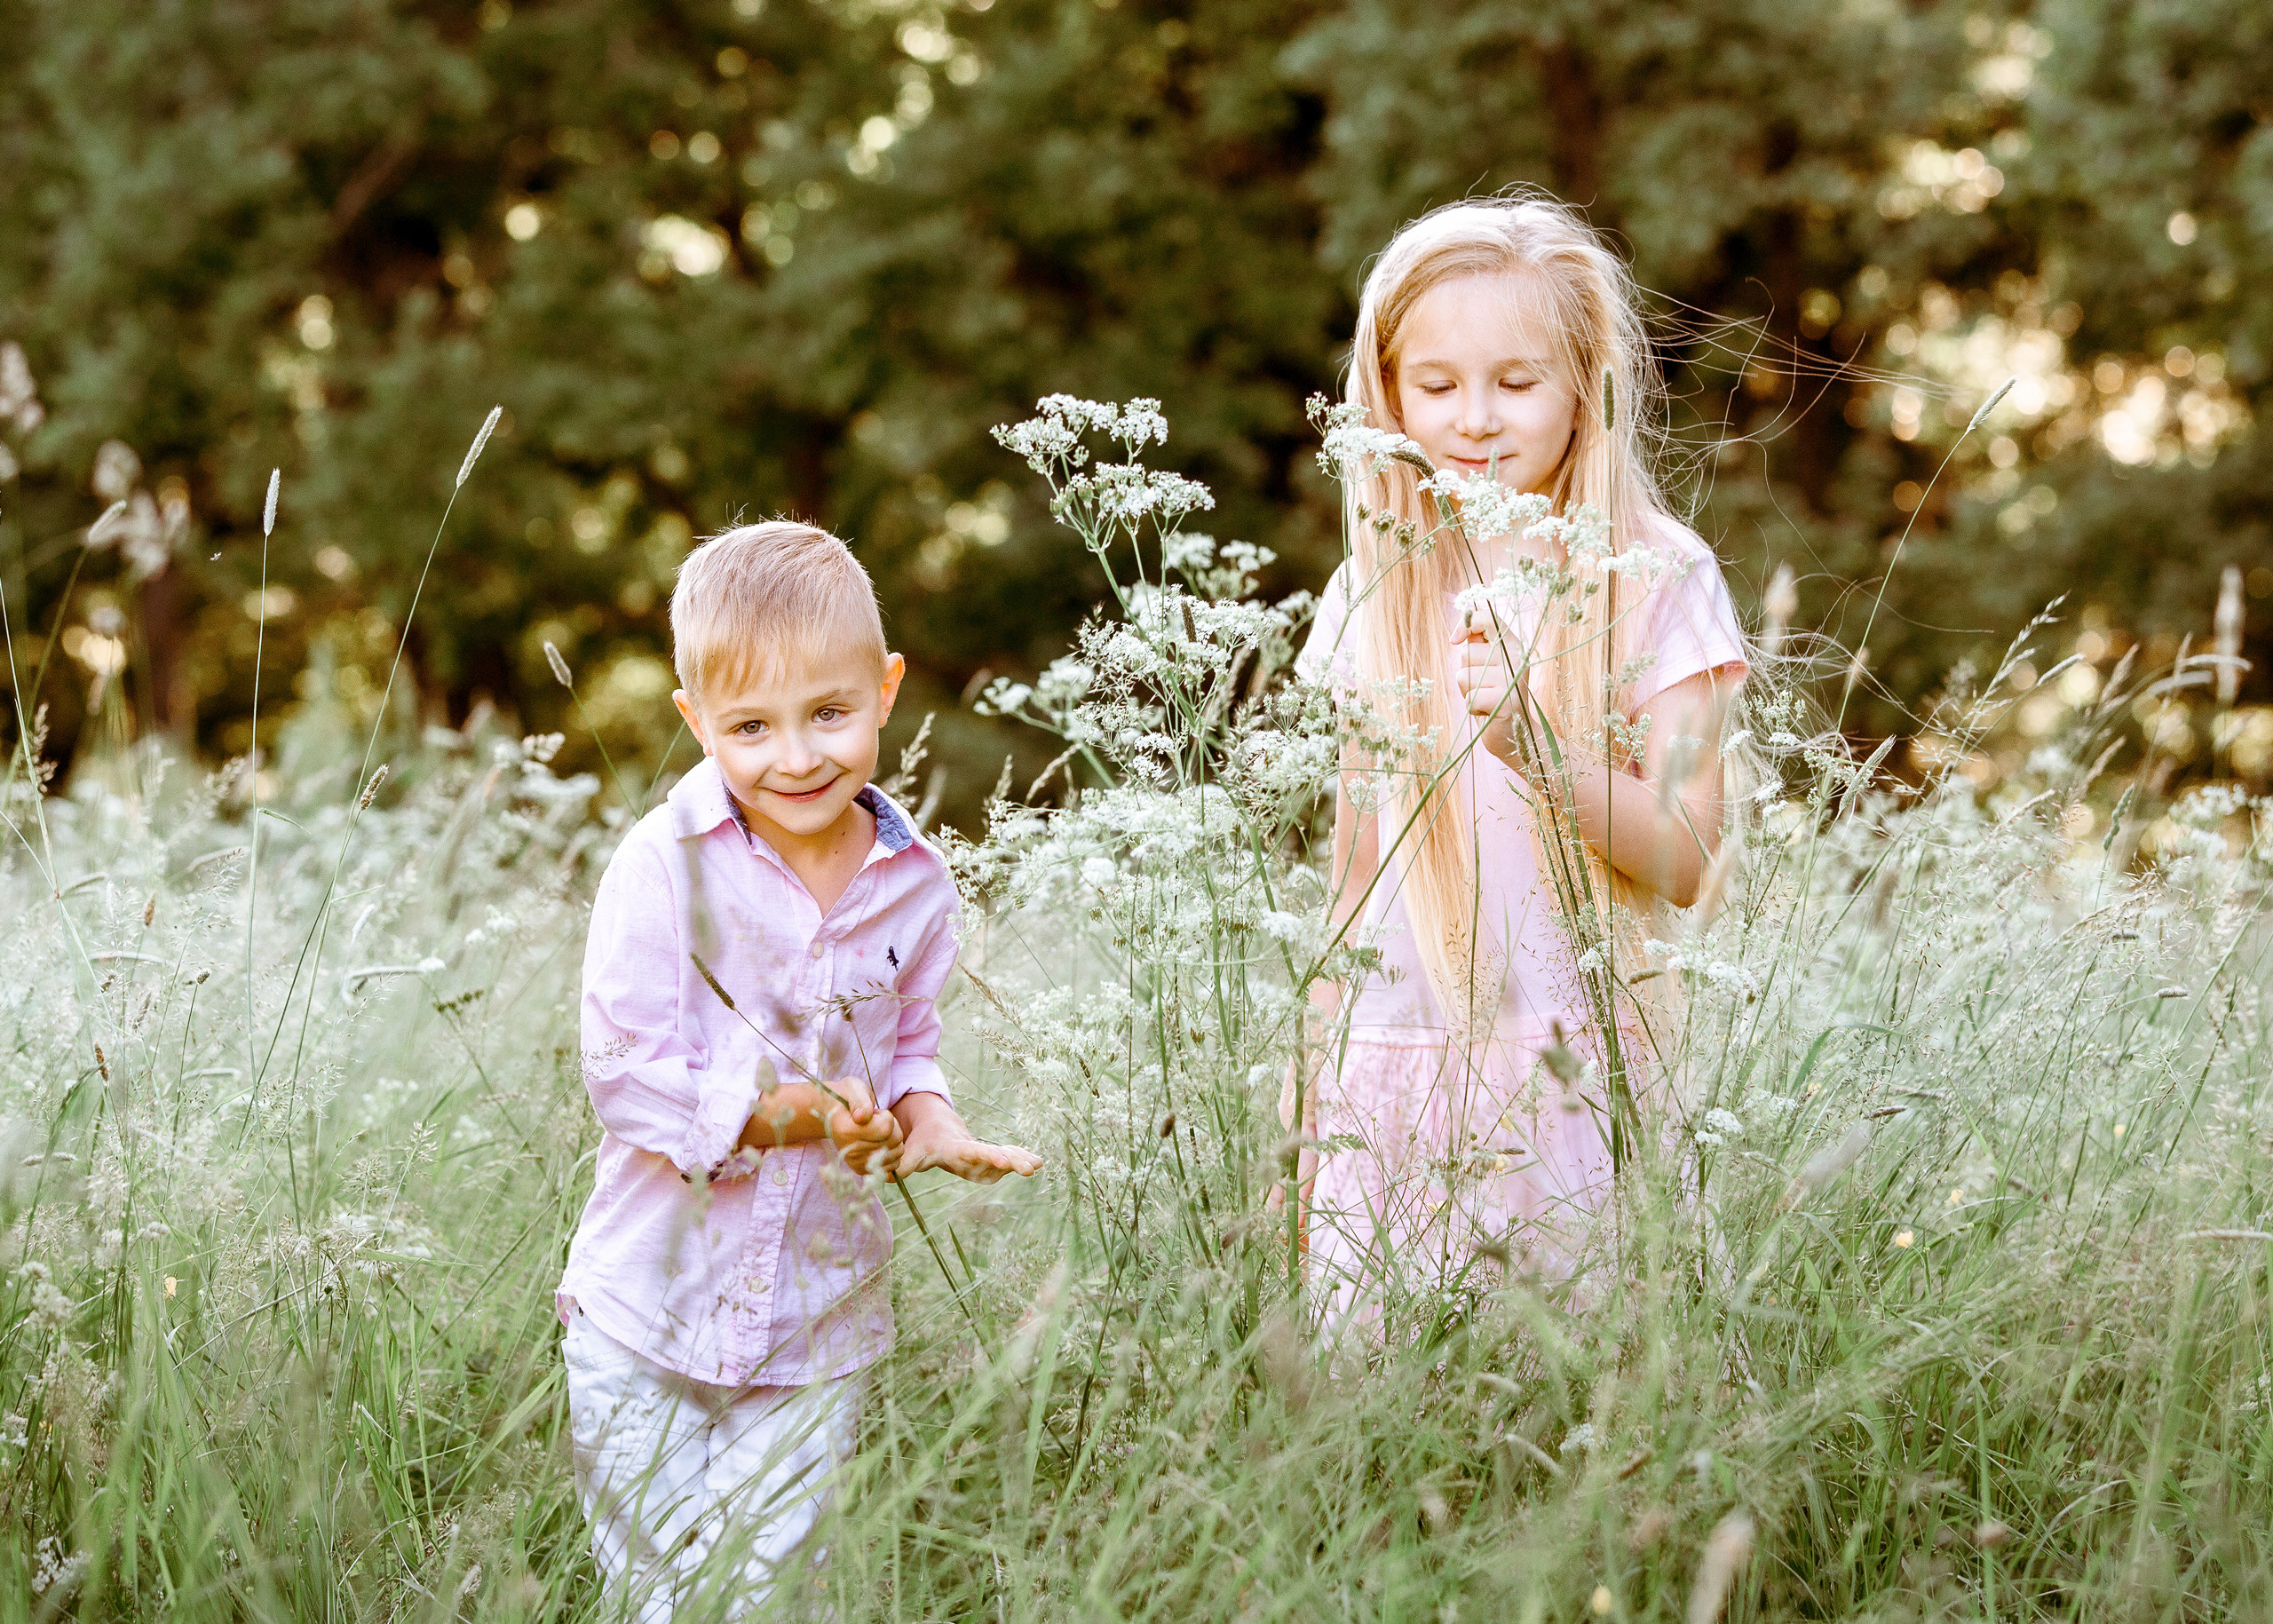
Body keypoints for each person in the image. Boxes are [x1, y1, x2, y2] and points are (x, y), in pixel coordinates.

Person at [559, 520, 1042, 1620]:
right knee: (661, 1594)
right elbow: (626, 1073)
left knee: (780, 1589)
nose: (796, 756)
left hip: (816, 1318)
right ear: (696, 722)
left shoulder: (916, 880)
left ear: (885, 688)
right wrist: (796, 1115)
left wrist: (929, 1117)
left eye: (828, 713)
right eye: (750, 726)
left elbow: (906, 1037)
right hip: (648, 1313)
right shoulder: (663, 864)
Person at [1285, 195, 1751, 1329]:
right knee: (1388, 1412)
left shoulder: (1658, 575)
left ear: (1587, 381)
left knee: (1577, 1399)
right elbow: (1354, 872)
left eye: (1517, 380)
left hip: (1577, 1064)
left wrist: (1541, 754)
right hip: (1396, 1060)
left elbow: (1688, 855)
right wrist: (1310, 1098)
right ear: (1383, 391)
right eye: (1434, 385)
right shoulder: (1374, 589)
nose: (1475, 418)